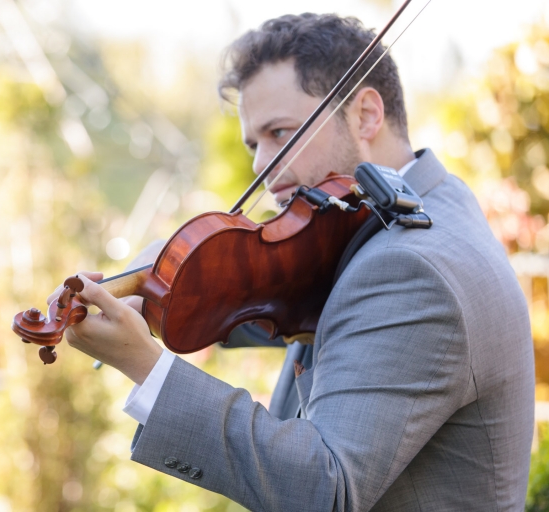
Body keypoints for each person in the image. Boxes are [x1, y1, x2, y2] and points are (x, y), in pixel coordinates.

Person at [52, 13, 535, 511]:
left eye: (280, 132)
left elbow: (325, 490)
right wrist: (166, 283)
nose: (260, 163)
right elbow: (288, 304)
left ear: (366, 115)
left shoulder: (407, 267)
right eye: (253, 143)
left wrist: (145, 365)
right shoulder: (426, 207)